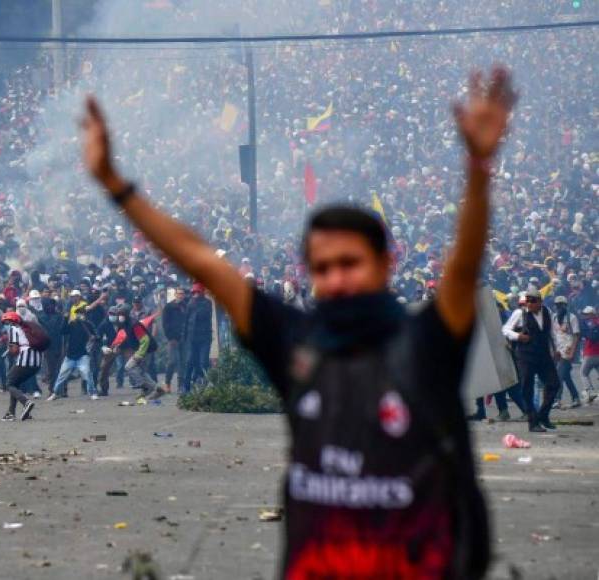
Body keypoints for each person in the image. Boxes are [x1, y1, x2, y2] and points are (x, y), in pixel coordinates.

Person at [81, 66, 516, 578]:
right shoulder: (295, 342)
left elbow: (463, 268)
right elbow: (202, 262)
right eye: (323, 268)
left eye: (350, 263)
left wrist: (479, 165)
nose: (337, 280)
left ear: (385, 264)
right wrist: (114, 184)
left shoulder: (425, 341)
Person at [502, 289, 564, 432]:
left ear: (540, 302)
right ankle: (532, 422)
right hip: (525, 356)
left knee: (554, 384)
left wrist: (557, 349)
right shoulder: (520, 313)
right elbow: (505, 329)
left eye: (533, 301)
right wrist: (518, 336)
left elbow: (552, 333)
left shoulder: (547, 312)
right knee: (527, 388)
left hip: (543, 355)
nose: (529, 304)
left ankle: (543, 415)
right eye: (527, 301)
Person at [48, 305, 99, 401]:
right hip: (70, 355)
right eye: (78, 313)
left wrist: (94, 337)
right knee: (61, 375)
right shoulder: (72, 324)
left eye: (81, 313)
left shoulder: (88, 325)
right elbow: (62, 331)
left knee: (87, 373)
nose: (79, 315)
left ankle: (92, 392)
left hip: (83, 354)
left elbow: (97, 335)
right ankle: (55, 393)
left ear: (85, 314)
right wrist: (65, 318)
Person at [1, 310, 39, 422]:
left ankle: (26, 402)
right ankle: (11, 413)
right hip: (36, 361)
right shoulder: (28, 327)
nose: (7, 325)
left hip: (25, 360)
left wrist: (10, 348)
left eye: (7, 322)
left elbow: (15, 349)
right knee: (15, 383)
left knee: (8, 383)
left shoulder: (14, 328)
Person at [182, 283, 213, 393]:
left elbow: (203, 315)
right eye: (194, 292)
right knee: (189, 362)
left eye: (197, 292)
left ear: (202, 292)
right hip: (192, 338)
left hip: (204, 338)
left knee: (203, 362)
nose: (195, 294)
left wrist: (194, 303)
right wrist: (184, 337)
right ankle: (186, 386)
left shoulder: (207, 303)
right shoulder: (190, 304)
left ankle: (202, 384)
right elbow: (186, 321)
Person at [551, 296, 580, 408]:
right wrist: (555, 350)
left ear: (565, 305)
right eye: (557, 305)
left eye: (561, 305)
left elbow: (576, 336)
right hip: (559, 350)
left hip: (568, 351)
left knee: (559, 375)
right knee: (566, 376)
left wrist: (573, 352)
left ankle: (557, 399)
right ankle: (576, 397)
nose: (559, 307)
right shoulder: (554, 318)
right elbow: (555, 335)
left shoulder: (572, 318)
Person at [161, 287, 188, 392]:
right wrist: (170, 337)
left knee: (182, 362)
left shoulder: (186, 306)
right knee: (172, 361)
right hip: (173, 339)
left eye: (182, 293)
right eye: (179, 293)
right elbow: (165, 324)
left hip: (183, 338)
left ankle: (180, 385)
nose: (181, 295)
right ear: (175, 294)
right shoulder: (169, 307)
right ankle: (167, 382)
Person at [580, 306, 598, 401]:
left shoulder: (590, 322)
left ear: (591, 314)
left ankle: (589, 392)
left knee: (583, 373)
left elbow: (590, 336)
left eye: (586, 314)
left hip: (591, 352)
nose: (585, 316)